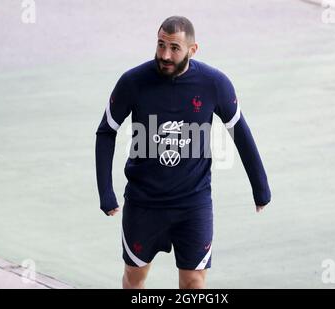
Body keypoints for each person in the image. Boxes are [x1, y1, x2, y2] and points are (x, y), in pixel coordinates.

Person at [95, 16, 271, 289]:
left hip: (193, 203)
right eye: (161, 44)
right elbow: (107, 131)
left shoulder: (214, 83)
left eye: (174, 48)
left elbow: (240, 132)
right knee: (134, 278)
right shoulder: (133, 82)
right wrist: (105, 191)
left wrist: (260, 187)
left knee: (194, 283)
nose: (165, 54)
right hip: (144, 203)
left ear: (193, 49)